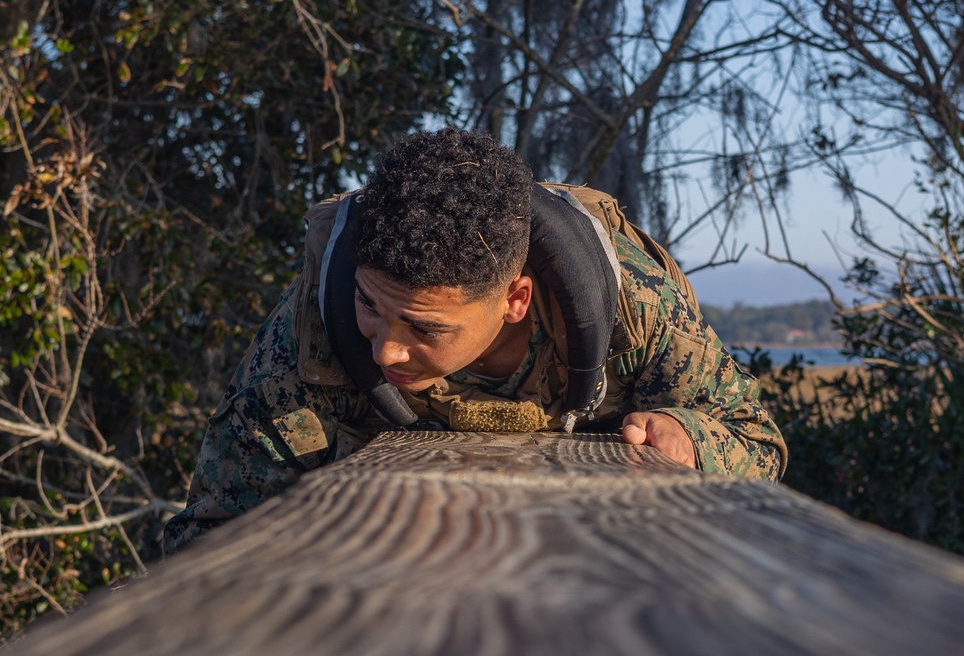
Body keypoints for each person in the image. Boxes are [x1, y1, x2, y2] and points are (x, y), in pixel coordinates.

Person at [164, 128, 786, 553]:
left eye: (425, 328)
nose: (386, 351)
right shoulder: (311, 330)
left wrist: (689, 441)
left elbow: (756, 440)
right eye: (371, 306)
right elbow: (214, 529)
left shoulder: (635, 305)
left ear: (514, 300)